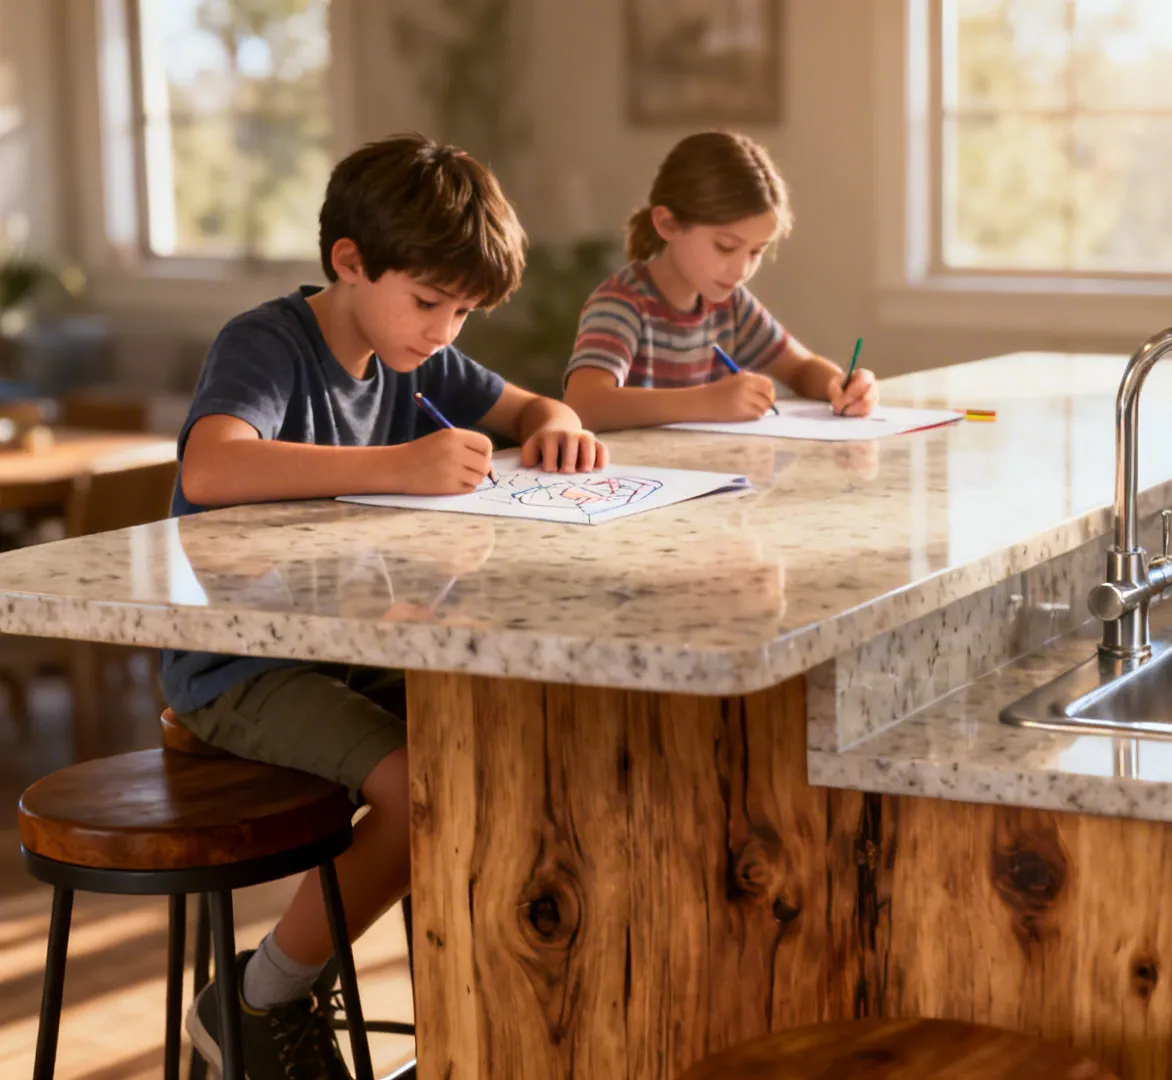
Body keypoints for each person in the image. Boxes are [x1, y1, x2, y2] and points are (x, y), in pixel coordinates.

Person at [165, 133, 607, 1078]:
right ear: (350, 263)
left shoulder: (414, 354)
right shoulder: (269, 343)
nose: (446, 331)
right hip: (244, 660)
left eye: (465, 311)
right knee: (428, 790)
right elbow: (210, 464)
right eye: (431, 302)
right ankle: (254, 998)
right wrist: (399, 465)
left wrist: (558, 424)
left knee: (511, 739)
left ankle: (482, 1016)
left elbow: (532, 409)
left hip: (346, 645)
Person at [563, 131, 879, 429]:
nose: (742, 270)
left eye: (756, 251)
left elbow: (799, 367)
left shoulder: (731, 305)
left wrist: (840, 385)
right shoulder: (622, 305)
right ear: (668, 223)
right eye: (725, 247)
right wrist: (706, 402)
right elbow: (584, 404)